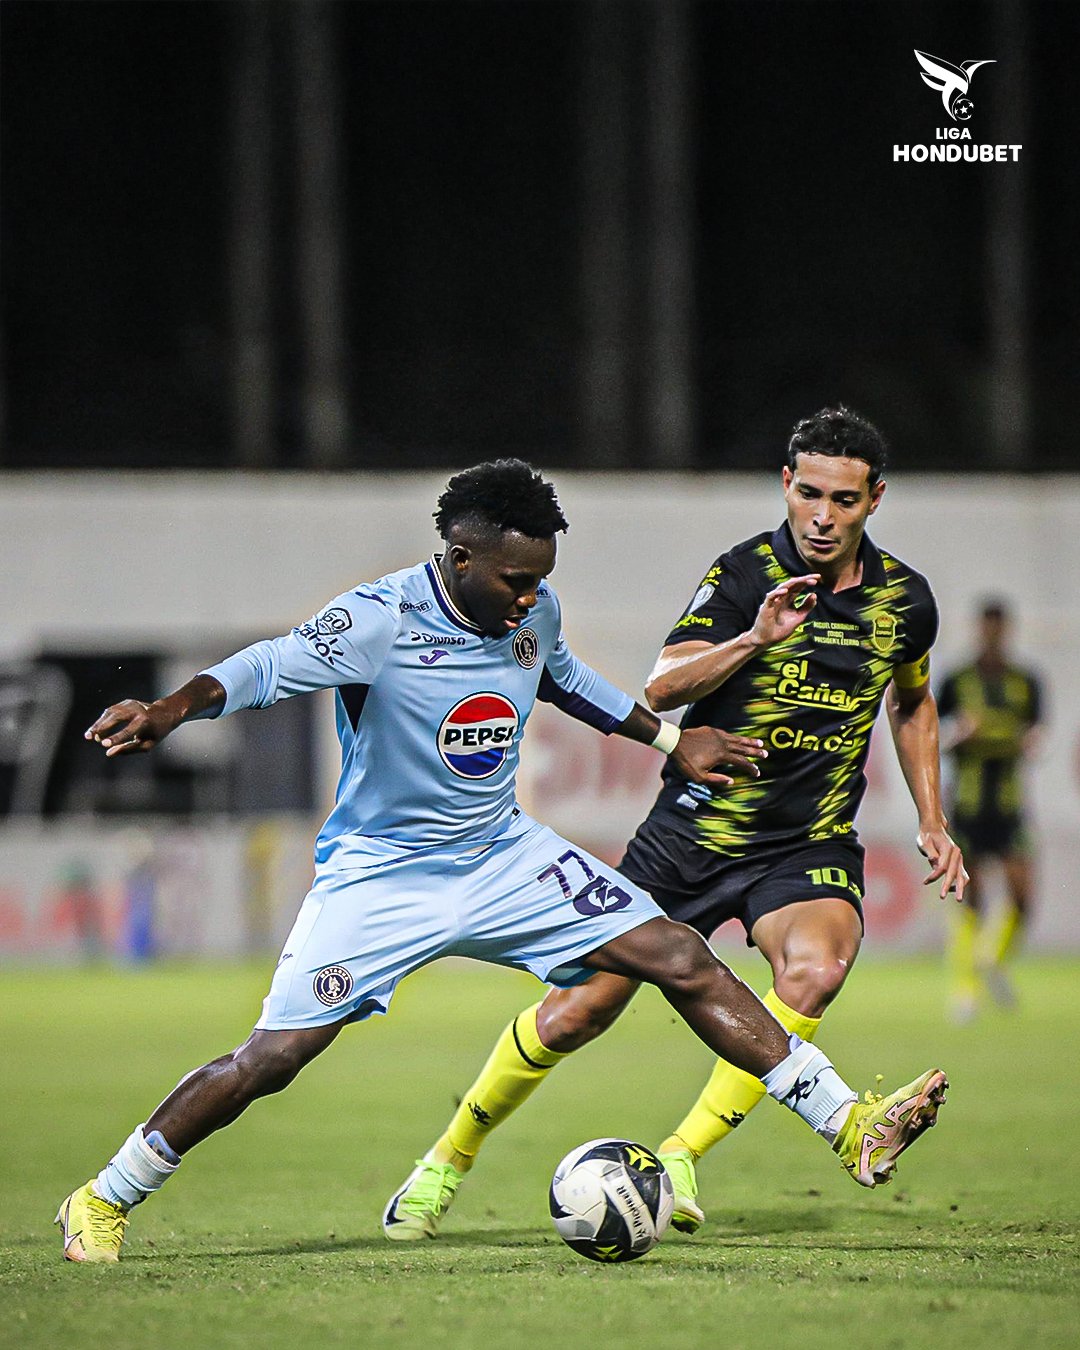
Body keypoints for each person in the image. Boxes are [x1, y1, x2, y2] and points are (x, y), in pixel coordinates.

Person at [56, 458, 948, 1265]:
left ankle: (847, 1122)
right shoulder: (378, 618)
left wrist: (671, 739)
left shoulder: (533, 608)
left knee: (678, 954)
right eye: (517, 582)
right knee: (275, 1057)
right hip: (384, 873)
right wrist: (173, 709)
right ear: (458, 557)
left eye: (541, 582)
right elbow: (263, 667)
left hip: (500, 855)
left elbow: (565, 678)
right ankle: (104, 1197)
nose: (530, 600)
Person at [383, 408, 965, 1242]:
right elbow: (662, 687)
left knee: (819, 967)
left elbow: (912, 700)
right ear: (786, 486)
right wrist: (755, 637)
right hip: (690, 838)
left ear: (875, 499)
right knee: (577, 1013)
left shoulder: (905, 601)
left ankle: (681, 1156)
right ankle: (446, 1159)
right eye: (808, 493)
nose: (822, 516)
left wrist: (932, 818)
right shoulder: (743, 575)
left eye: (843, 499)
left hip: (805, 842)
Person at [938, 600, 1043, 1021]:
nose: (993, 635)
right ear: (979, 629)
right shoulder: (957, 680)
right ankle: (965, 990)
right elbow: (935, 735)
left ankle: (991, 959)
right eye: (987, 628)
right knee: (973, 897)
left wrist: (1024, 739)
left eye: (999, 628)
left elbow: (1037, 733)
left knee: (1022, 896)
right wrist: (961, 735)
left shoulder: (1026, 681)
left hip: (1010, 803)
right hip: (967, 802)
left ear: (1007, 631)